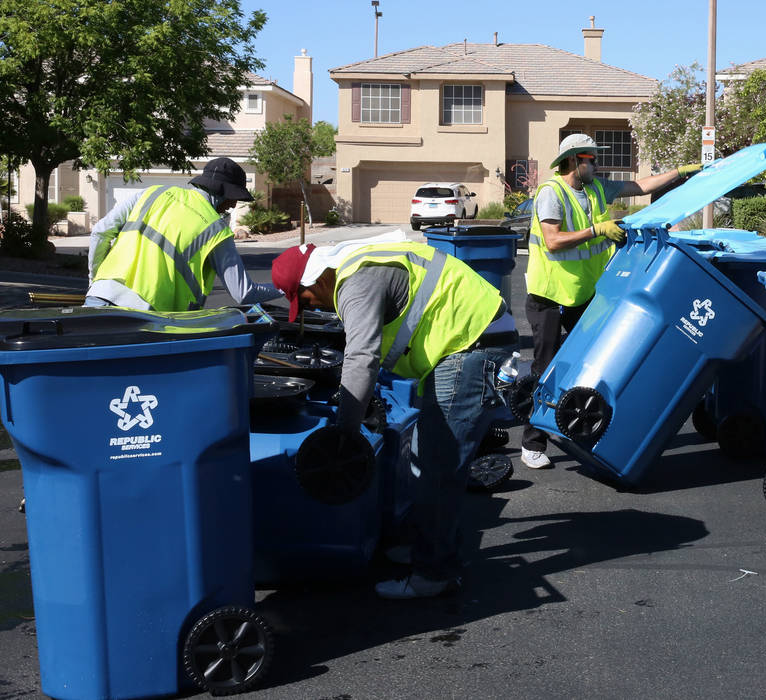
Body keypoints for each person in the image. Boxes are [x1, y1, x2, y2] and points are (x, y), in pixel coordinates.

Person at [270, 240, 518, 599]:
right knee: (424, 456)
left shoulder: (353, 284)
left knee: (438, 465)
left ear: (316, 281)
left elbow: (362, 357)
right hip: (470, 339)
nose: (312, 307)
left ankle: (434, 574)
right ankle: (425, 546)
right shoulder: (356, 265)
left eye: (304, 300)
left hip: (472, 345)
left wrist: (345, 433)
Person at [521, 132, 703, 469]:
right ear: (574, 160)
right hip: (549, 295)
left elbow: (642, 186)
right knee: (546, 368)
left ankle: (577, 429)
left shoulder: (596, 188)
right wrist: (597, 230)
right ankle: (532, 443)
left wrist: (681, 171)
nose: (597, 163)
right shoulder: (552, 192)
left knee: (588, 365)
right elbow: (553, 241)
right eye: (591, 158)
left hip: (584, 293)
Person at [86, 157, 281, 310]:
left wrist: (95, 280)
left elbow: (100, 232)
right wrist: (288, 288)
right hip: (145, 314)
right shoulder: (215, 230)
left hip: (100, 295)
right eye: (234, 198)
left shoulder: (151, 193)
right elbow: (244, 293)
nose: (233, 205)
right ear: (224, 193)